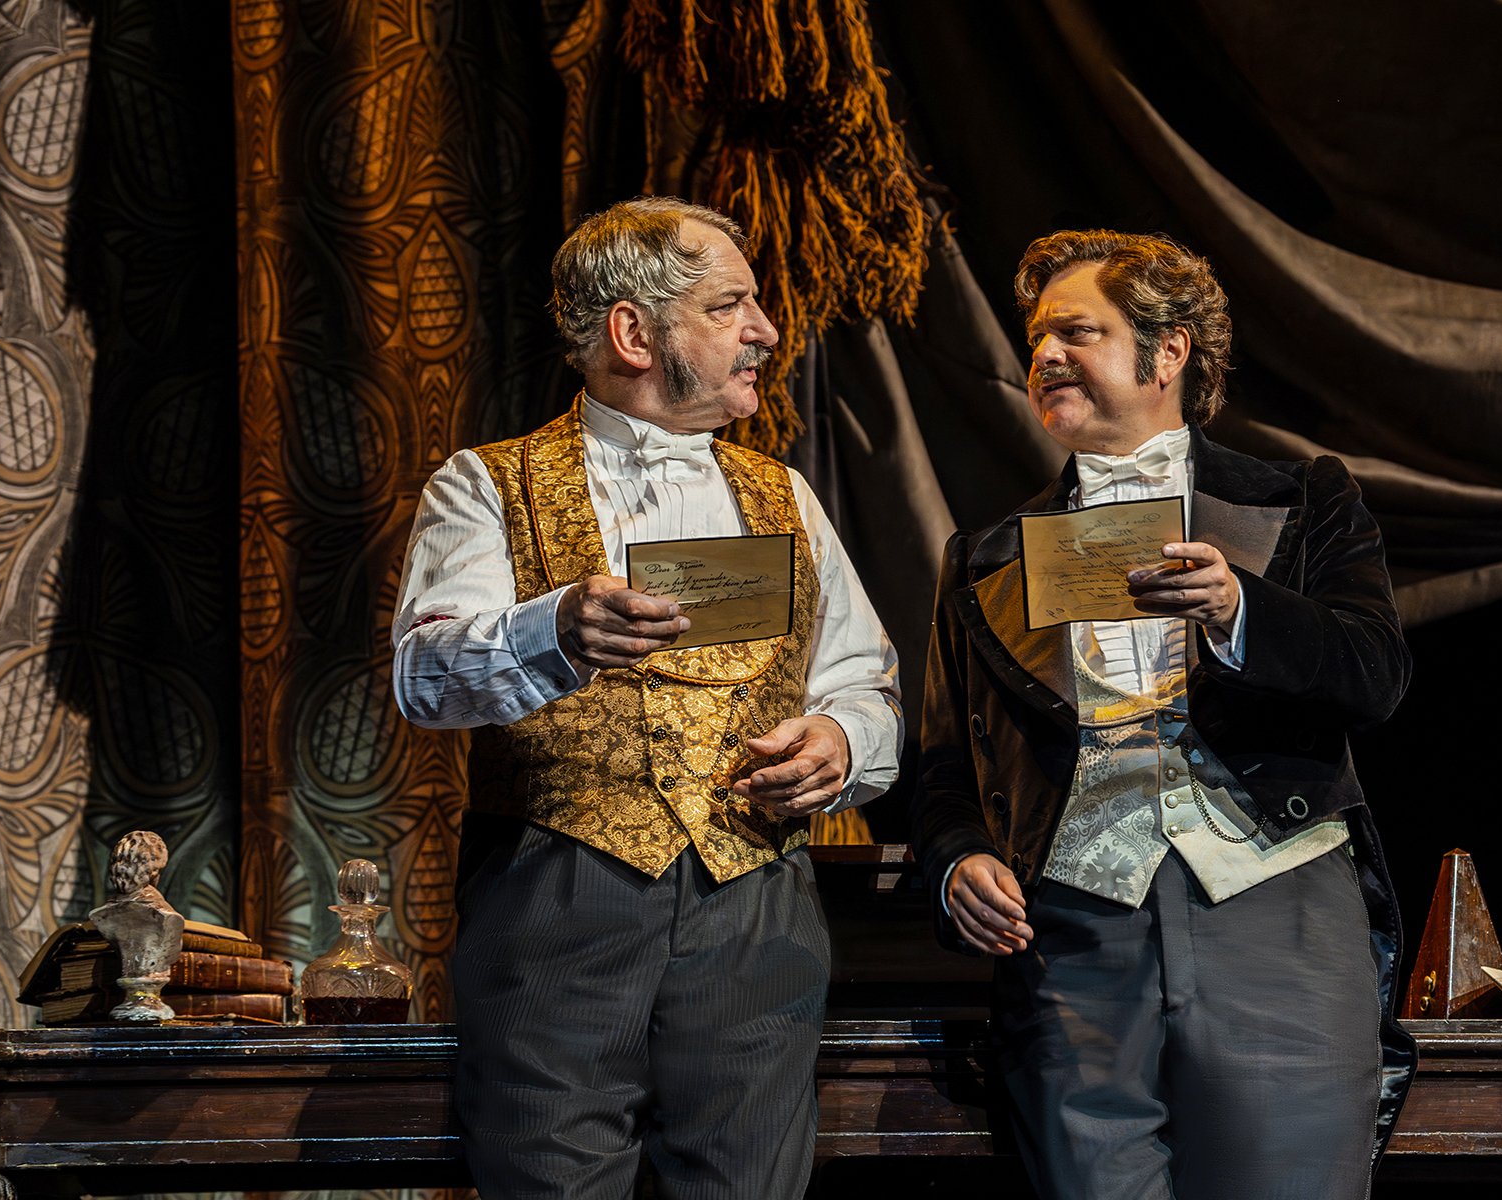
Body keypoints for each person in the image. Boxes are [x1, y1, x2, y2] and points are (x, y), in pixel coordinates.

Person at [391, 196, 903, 1200]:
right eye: (730, 307)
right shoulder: (487, 485)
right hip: (561, 896)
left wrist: (840, 743)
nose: (764, 330)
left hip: (754, 903)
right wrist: (553, 626)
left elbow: (865, 681)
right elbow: (423, 677)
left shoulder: (783, 496)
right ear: (633, 332)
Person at [912, 229, 1415, 1199]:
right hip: (1073, 932)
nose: (1044, 355)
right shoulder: (983, 558)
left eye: (1076, 331)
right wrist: (956, 862)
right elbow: (943, 770)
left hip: (1275, 907)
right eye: (1036, 338)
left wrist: (1239, 610)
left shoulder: (1299, 499)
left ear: (1169, 350)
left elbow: (1374, 671)